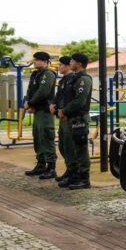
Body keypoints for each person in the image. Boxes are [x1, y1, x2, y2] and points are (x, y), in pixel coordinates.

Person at [58, 53, 92, 190]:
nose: (70, 62)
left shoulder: (84, 79)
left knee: (80, 149)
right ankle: (74, 175)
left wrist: (65, 110)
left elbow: (80, 101)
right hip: (71, 118)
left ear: (78, 63)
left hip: (79, 118)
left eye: (72, 61)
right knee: (70, 148)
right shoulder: (73, 78)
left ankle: (85, 179)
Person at [24, 52, 57, 178]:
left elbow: (43, 92)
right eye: (35, 60)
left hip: (45, 111)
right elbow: (30, 90)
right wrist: (28, 102)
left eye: (38, 60)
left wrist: (31, 103)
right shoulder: (35, 74)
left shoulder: (48, 74)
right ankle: (41, 164)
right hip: (37, 111)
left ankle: (51, 167)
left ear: (45, 61)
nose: (35, 62)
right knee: (37, 137)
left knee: (46, 137)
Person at [50, 56, 77, 187]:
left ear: (67, 66)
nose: (59, 67)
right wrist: (53, 105)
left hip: (68, 116)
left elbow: (72, 99)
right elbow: (58, 96)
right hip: (61, 116)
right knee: (62, 145)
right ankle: (68, 169)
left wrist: (65, 111)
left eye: (61, 65)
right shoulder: (63, 80)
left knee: (70, 146)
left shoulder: (73, 79)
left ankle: (73, 172)